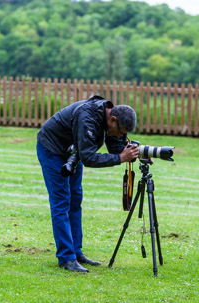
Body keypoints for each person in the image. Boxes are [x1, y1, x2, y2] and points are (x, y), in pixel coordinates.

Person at [36, 95, 139, 272]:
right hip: (52, 149)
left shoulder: (109, 120)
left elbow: (116, 147)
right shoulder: (87, 117)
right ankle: (66, 258)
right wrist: (121, 158)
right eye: (122, 131)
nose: (122, 136)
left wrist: (139, 152)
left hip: (74, 154)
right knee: (61, 202)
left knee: (75, 201)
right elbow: (89, 157)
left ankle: (76, 253)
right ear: (113, 119)